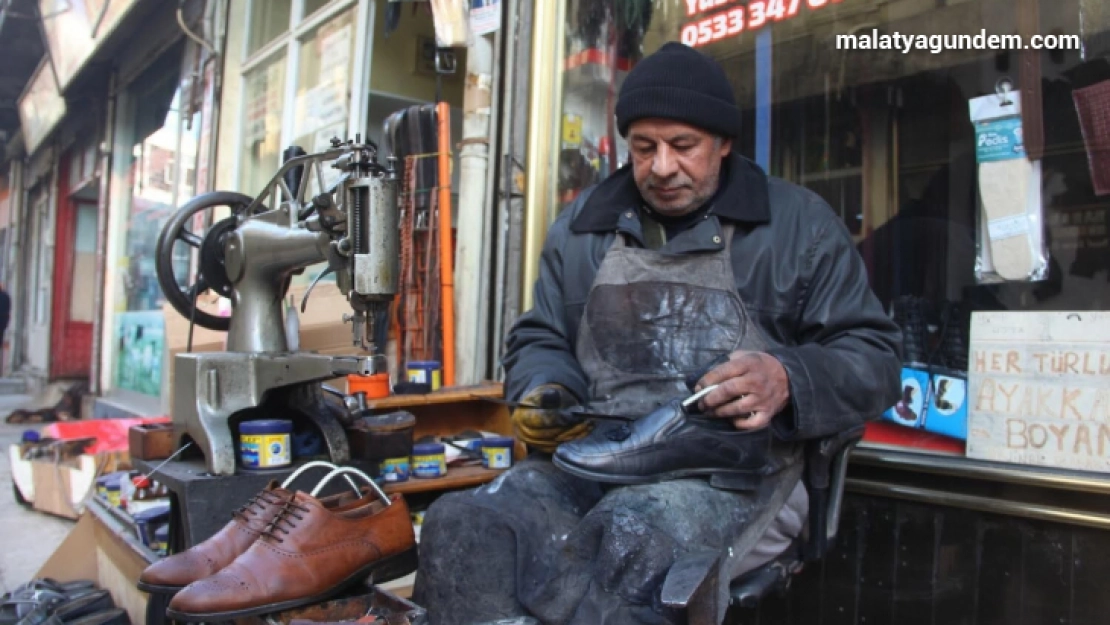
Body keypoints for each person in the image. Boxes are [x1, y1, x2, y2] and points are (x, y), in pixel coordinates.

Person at [413, 42, 902, 625]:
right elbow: (542, 333)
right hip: (600, 461)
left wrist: (786, 379)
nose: (662, 166)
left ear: (724, 143)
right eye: (644, 148)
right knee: (464, 525)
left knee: (627, 538)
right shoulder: (583, 227)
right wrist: (548, 387)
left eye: (683, 146)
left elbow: (874, 357)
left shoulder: (798, 226)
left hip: (744, 476)